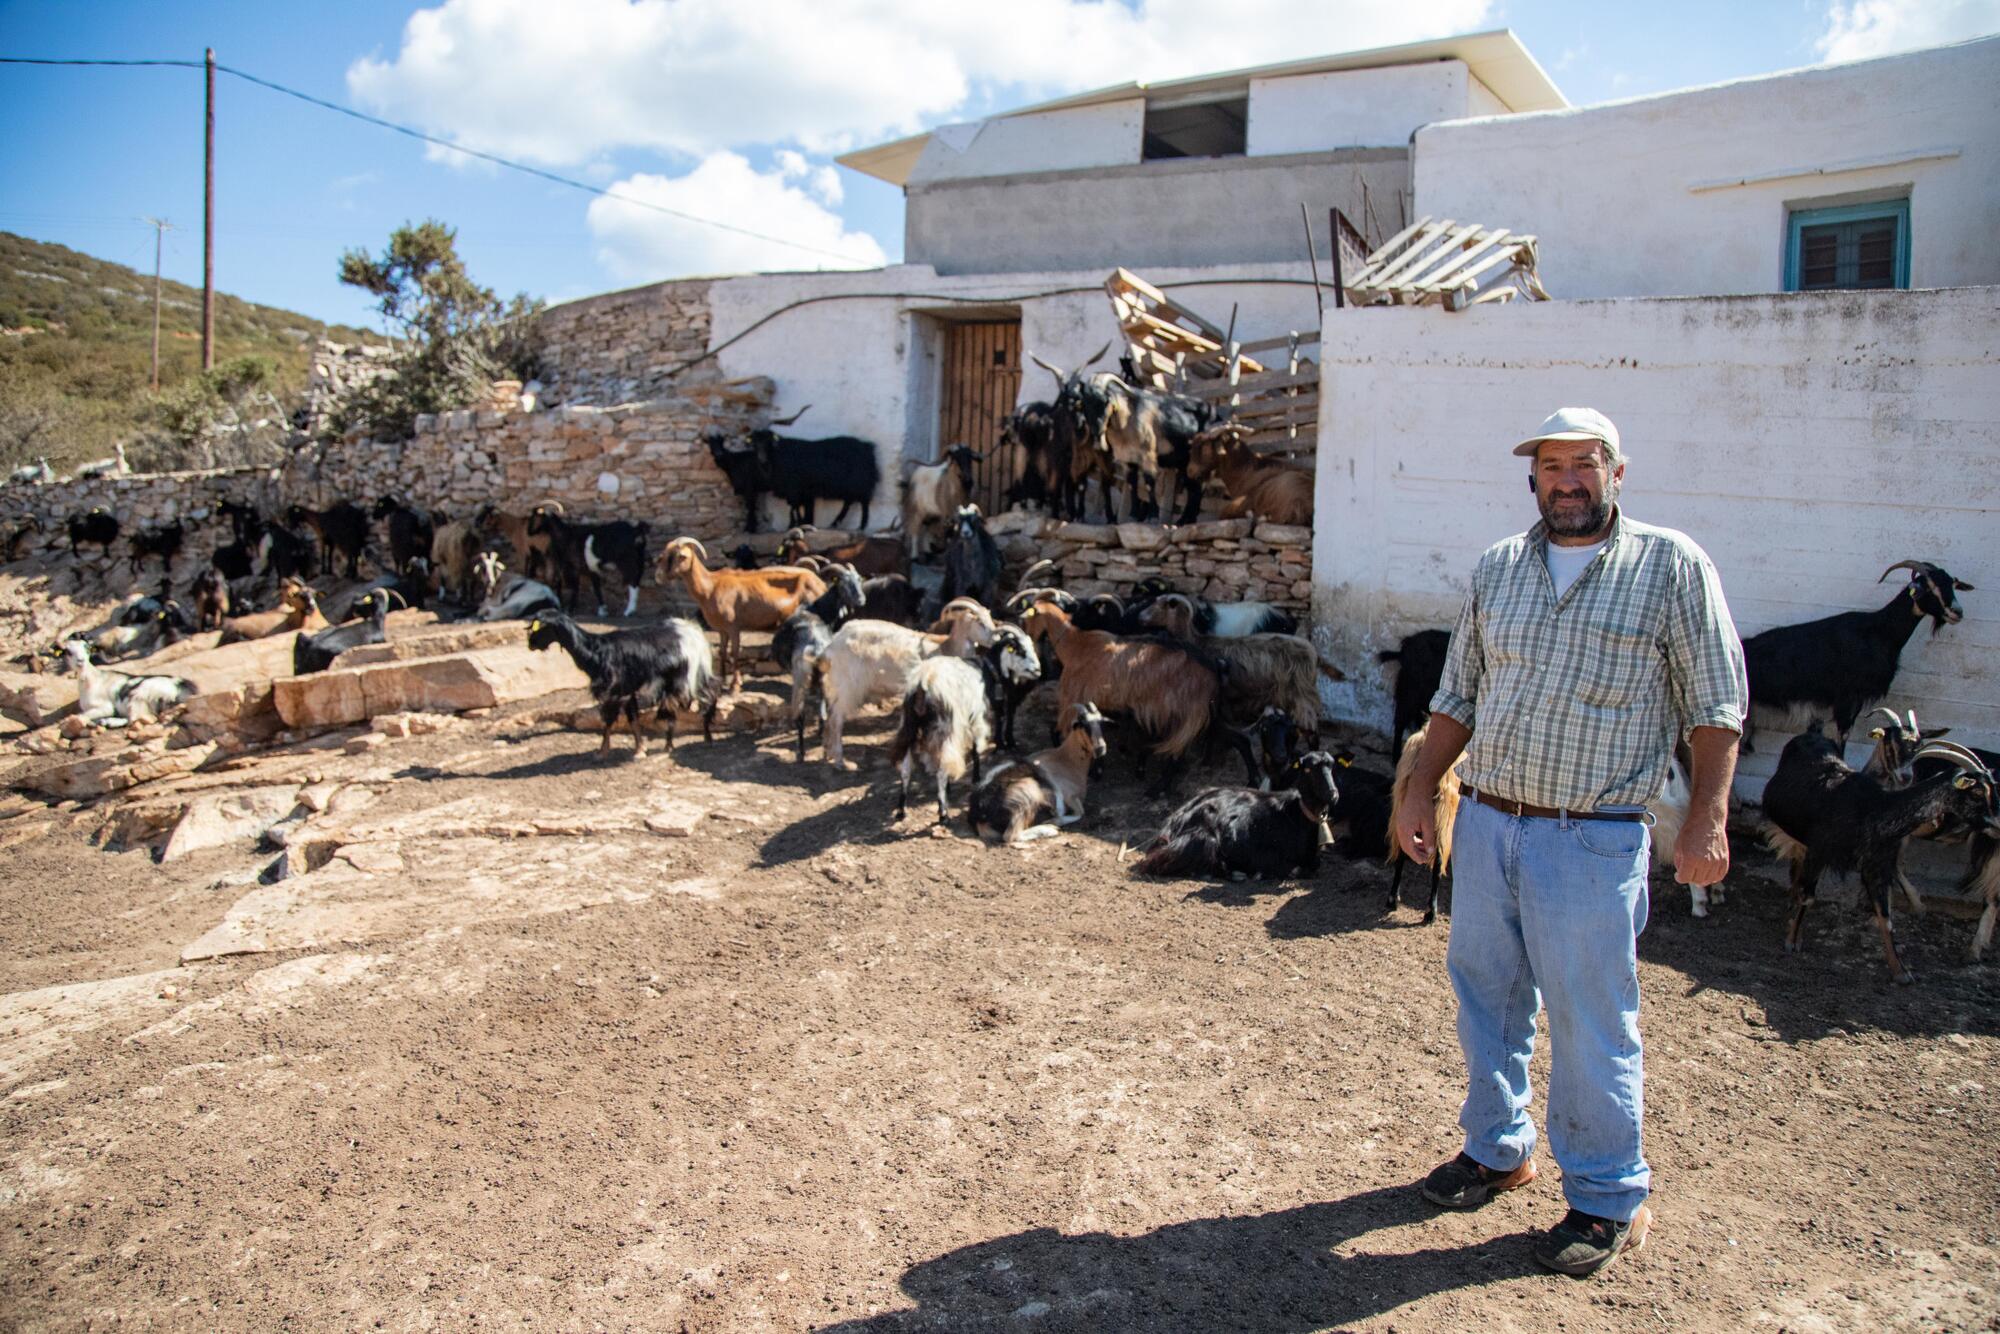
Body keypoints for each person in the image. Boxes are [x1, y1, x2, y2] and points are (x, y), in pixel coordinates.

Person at [1395, 406, 1746, 1277]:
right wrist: (1413, 790)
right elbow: (1457, 698)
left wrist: (1707, 818)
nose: (1568, 480)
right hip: (1487, 823)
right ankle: (1499, 1151)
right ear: (1533, 481)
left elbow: (1716, 706)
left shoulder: (1670, 566)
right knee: (1487, 999)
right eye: (1552, 467)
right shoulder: (1500, 568)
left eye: (1584, 464)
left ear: (1616, 473)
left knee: (1593, 1021)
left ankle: (1607, 1200)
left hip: (1591, 839)